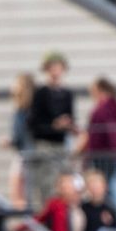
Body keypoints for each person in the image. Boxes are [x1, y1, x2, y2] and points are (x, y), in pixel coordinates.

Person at [75, 78, 116, 226]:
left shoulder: (104, 109)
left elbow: (98, 135)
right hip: (114, 157)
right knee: (110, 191)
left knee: (111, 190)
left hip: (107, 158)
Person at [28, 52, 76, 207]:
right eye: (52, 68)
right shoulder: (41, 93)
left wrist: (69, 126)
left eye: (59, 68)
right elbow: (33, 123)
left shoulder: (67, 94)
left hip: (61, 145)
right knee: (47, 187)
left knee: (66, 185)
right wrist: (53, 125)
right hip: (45, 144)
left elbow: (71, 118)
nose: (56, 71)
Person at [3, 72, 35, 209]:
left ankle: (26, 220)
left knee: (21, 192)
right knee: (20, 192)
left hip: (26, 155)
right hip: (24, 153)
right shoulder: (21, 109)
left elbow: (21, 136)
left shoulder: (26, 110)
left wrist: (11, 141)